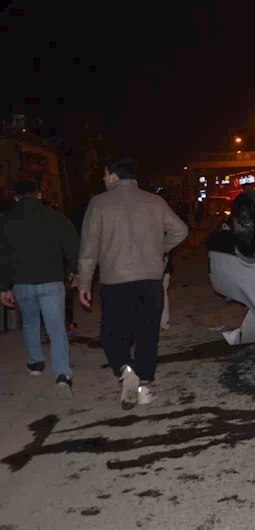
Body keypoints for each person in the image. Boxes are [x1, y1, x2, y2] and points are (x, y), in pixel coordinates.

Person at [78, 158, 188, 410]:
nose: (104, 180)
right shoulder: (155, 201)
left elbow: (89, 248)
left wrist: (84, 282)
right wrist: (159, 249)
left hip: (116, 282)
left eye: (105, 175)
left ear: (114, 176)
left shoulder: (99, 203)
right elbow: (180, 230)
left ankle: (125, 369)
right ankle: (145, 388)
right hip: (150, 280)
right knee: (147, 334)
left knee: (113, 334)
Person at [0, 180, 80, 398]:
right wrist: (75, 271)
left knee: (30, 322)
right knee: (56, 328)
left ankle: (36, 363)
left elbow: (3, 257)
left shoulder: (6, 221)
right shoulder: (55, 217)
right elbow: (72, 244)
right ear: (39, 194)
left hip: (22, 284)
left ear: (15, 197)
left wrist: (4, 287)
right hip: (51, 281)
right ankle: (62, 374)